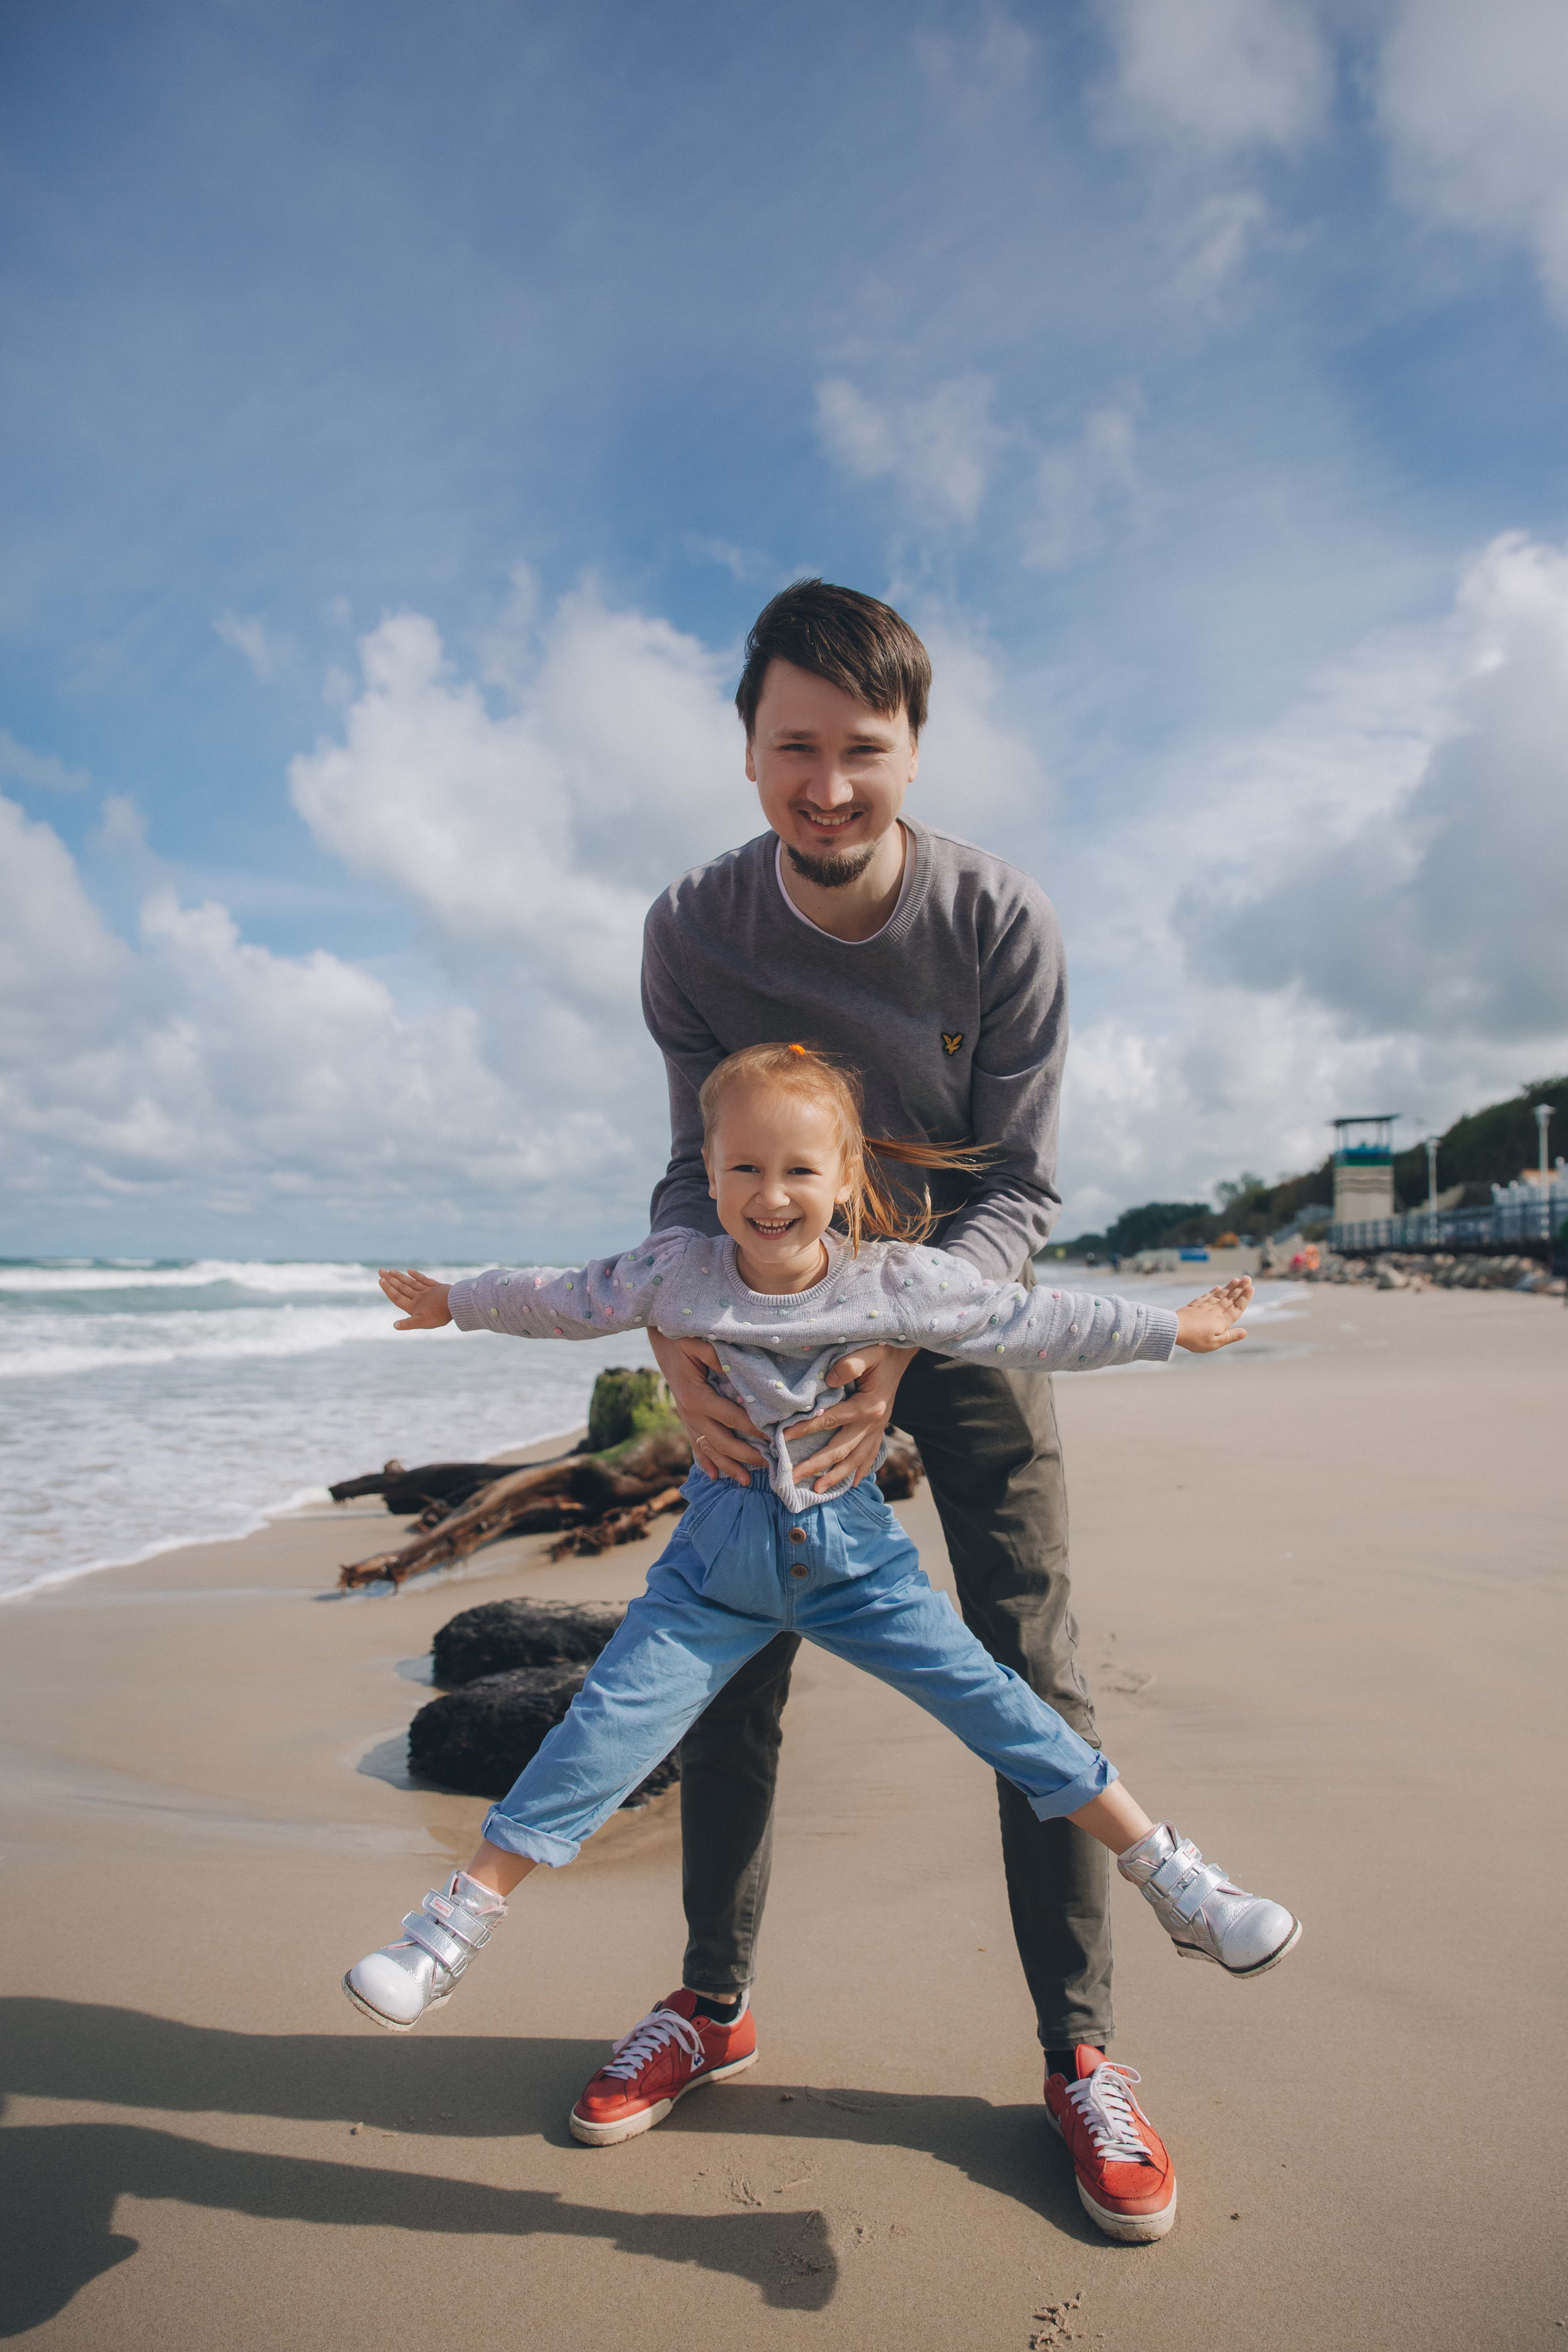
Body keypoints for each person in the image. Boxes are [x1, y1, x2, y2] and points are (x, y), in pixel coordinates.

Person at [345, 1043, 1300, 2247]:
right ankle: (446, 1932)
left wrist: (1175, 1334)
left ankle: (1175, 1882)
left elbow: (1027, 1319)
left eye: (798, 1166)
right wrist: (457, 1303)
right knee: (599, 1730)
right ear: (705, 1169)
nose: (769, 1190)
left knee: (1008, 1712)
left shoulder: (893, 1281)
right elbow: (563, 1296)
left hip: (855, 1569)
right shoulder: (676, 1270)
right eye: (742, 1163)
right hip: (710, 1575)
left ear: (845, 1176)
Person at [628, 578, 1176, 2235]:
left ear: (914, 752)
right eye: (795, 746)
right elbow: (684, 1173)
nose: (828, 784)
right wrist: (676, 1340)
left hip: (961, 1312)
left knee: (1034, 1668)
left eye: (862, 749)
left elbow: (1021, 1190)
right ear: (747, 753)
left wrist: (906, 1338)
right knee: (730, 1657)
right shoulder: (694, 931)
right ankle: (710, 2006)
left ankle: (1081, 2055)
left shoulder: (1002, 922)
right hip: (769, 1324)